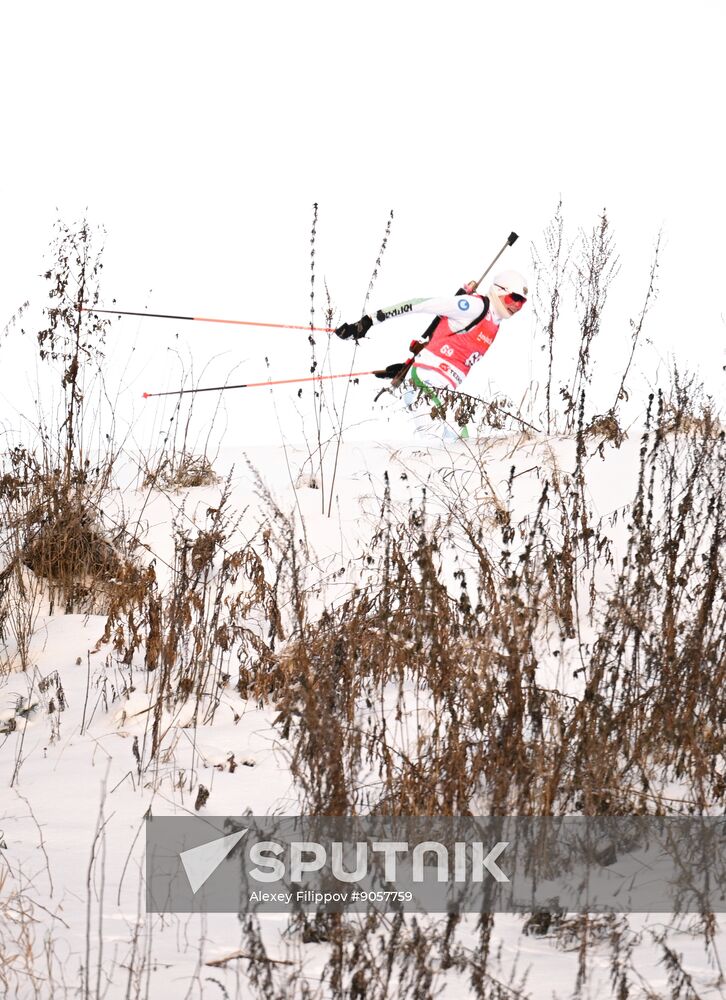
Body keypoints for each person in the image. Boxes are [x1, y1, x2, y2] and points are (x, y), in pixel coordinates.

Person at [335, 270, 529, 440]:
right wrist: (370, 320)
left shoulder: (494, 324)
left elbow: (444, 342)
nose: (517, 306)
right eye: (514, 298)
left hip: (441, 387)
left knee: (459, 447)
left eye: (522, 302)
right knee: (443, 449)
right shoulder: (475, 306)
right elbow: (420, 304)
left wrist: (408, 366)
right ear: (499, 290)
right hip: (428, 383)